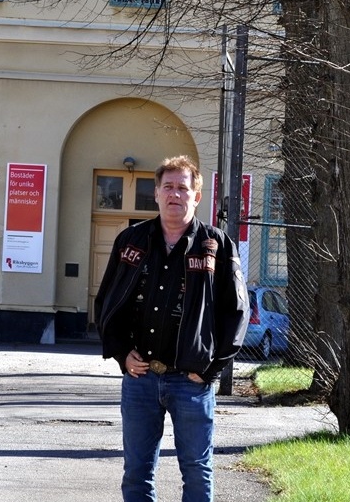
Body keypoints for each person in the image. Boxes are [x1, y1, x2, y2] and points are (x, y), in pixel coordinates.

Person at [95, 155, 249, 502]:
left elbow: (236, 312)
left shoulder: (216, 246)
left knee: (196, 470)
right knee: (137, 472)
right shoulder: (130, 241)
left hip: (191, 382)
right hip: (141, 380)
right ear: (157, 193)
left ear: (196, 196)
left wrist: (211, 368)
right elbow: (107, 301)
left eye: (183, 187)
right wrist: (121, 353)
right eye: (168, 187)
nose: (174, 194)